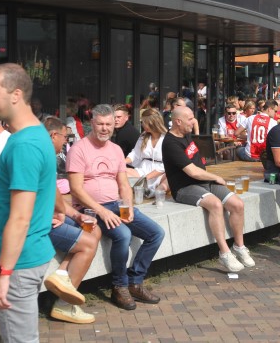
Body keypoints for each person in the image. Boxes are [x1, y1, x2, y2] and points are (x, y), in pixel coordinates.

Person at [0, 63, 58, 343]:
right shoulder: (34, 134)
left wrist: (4, 274)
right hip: (22, 259)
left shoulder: (25, 145)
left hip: (16, 265)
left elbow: (20, 218)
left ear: (15, 94)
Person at [67, 104, 165, 310]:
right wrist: (102, 211)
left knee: (156, 233)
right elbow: (76, 189)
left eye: (108, 124)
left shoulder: (116, 150)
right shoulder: (79, 149)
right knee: (123, 234)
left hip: (116, 204)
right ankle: (119, 286)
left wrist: (127, 205)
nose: (105, 128)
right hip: (90, 209)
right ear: (92, 123)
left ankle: (135, 282)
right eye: (100, 124)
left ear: (114, 125)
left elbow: (123, 184)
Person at [163, 106, 255, 273]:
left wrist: (210, 178)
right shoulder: (170, 143)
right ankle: (224, 253)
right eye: (190, 119)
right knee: (215, 204)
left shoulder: (186, 133)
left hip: (204, 181)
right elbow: (192, 172)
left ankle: (239, 246)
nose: (194, 121)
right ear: (178, 121)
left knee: (237, 204)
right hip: (185, 187)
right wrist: (215, 177)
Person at [43, 117, 100, 324]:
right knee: (89, 243)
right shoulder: (44, 156)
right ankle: (64, 305)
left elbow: (54, 194)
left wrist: (76, 215)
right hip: (39, 223)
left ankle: (61, 273)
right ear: (53, 136)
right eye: (64, 137)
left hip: (49, 216)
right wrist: (58, 212)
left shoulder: (46, 155)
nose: (65, 142)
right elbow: (52, 195)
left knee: (93, 228)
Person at [126, 108, 169, 194]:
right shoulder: (143, 136)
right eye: (142, 122)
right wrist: (122, 162)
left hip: (160, 173)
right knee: (121, 171)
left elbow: (166, 164)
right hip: (143, 170)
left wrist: (146, 178)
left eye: (145, 122)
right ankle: (146, 190)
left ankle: (154, 192)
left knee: (172, 176)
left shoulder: (167, 138)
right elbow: (135, 154)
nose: (143, 125)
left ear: (154, 123)